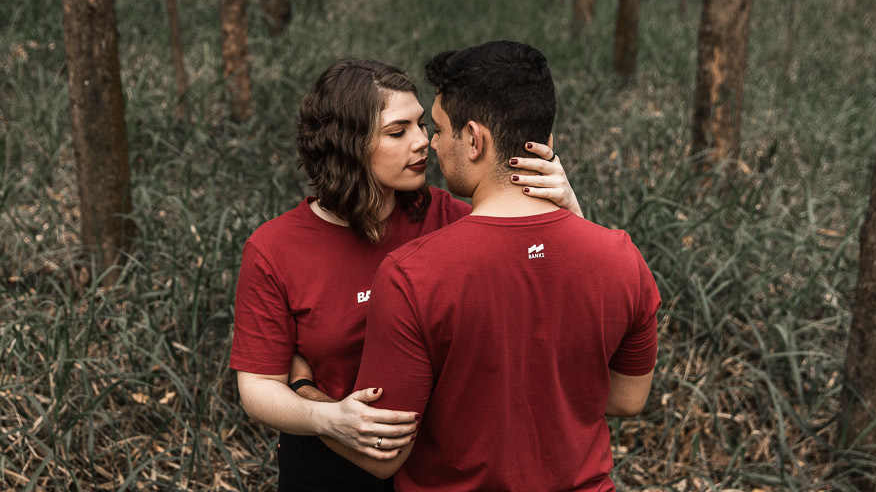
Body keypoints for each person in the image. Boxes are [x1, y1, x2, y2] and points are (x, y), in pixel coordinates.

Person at [318, 41, 661, 491]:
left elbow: (384, 454)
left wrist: (309, 402)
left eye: (438, 129)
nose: (431, 143)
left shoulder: (412, 275)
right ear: (547, 141)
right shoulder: (622, 258)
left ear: (475, 140)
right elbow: (627, 398)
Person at [229, 57, 583, 491]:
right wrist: (328, 417)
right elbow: (259, 388)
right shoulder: (274, 249)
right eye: (398, 132)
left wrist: (569, 207)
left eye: (421, 124)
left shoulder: (450, 217)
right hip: (325, 467)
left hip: (442, 468)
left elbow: (551, 276)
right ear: (348, 144)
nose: (424, 142)